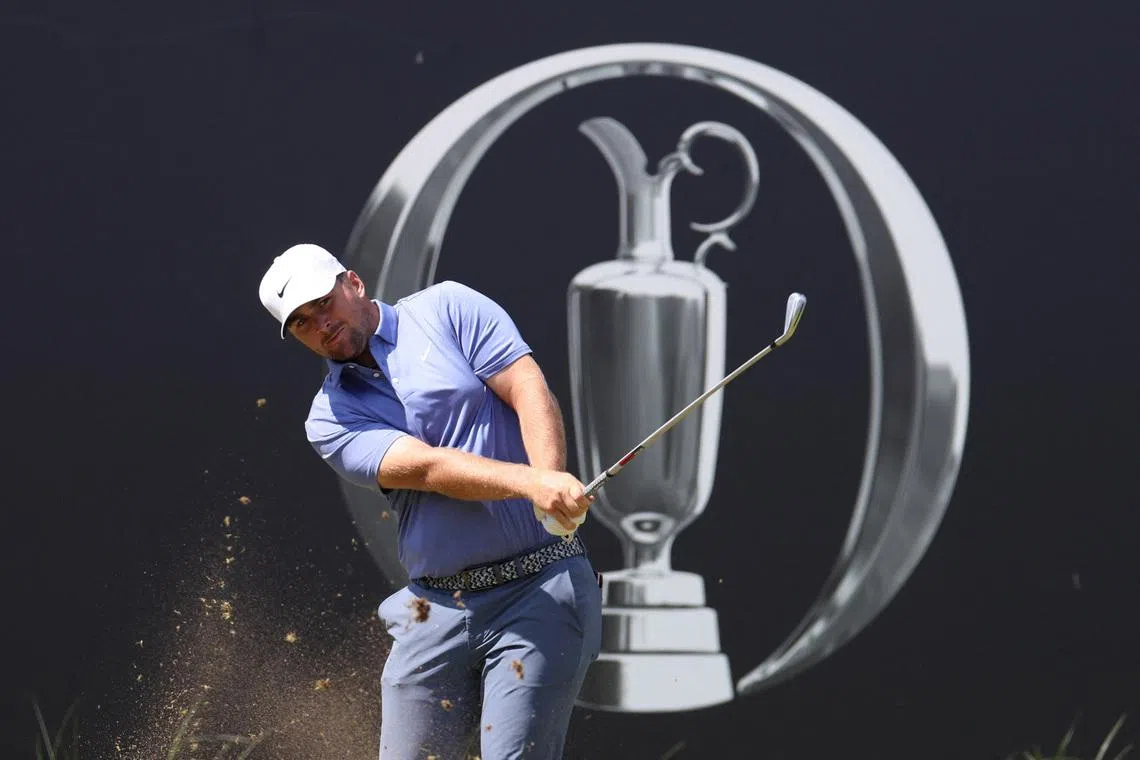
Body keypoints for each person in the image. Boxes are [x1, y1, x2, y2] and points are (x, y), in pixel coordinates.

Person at [258, 242, 603, 759]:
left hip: (541, 588)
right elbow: (428, 469)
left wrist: (549, 478)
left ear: (354, 283)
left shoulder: (448, 307)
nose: (321, 324)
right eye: (302, 323)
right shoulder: (329, 418)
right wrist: (532, 484)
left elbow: (526, 385)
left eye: (324, 303)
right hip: (436, 610)